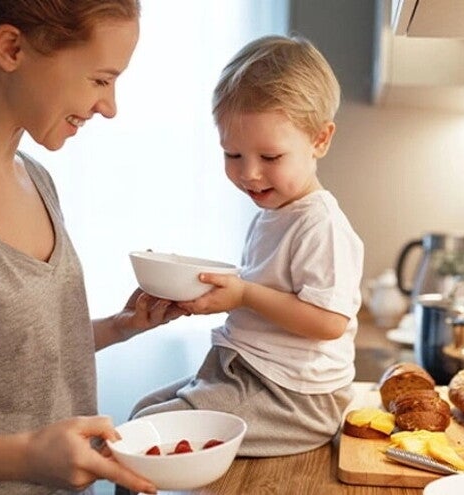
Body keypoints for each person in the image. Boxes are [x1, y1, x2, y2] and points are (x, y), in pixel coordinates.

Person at [0, 1, 188, 494]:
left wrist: (119, 327)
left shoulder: (34, 177)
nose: (110, 106)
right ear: (11, 48)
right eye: (99, 80)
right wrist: (28, 456)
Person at [129, 34, 364, 457]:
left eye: (270, 158)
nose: (249, 174)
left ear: (320, 140)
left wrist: (245, 295)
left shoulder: (320, 223)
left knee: (148, 429)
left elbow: (330, 322)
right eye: (232, 155)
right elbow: (263, 295)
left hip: (294, 398)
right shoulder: (272, 215)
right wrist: (211, 294)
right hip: (251, 374)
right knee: (142, 412)